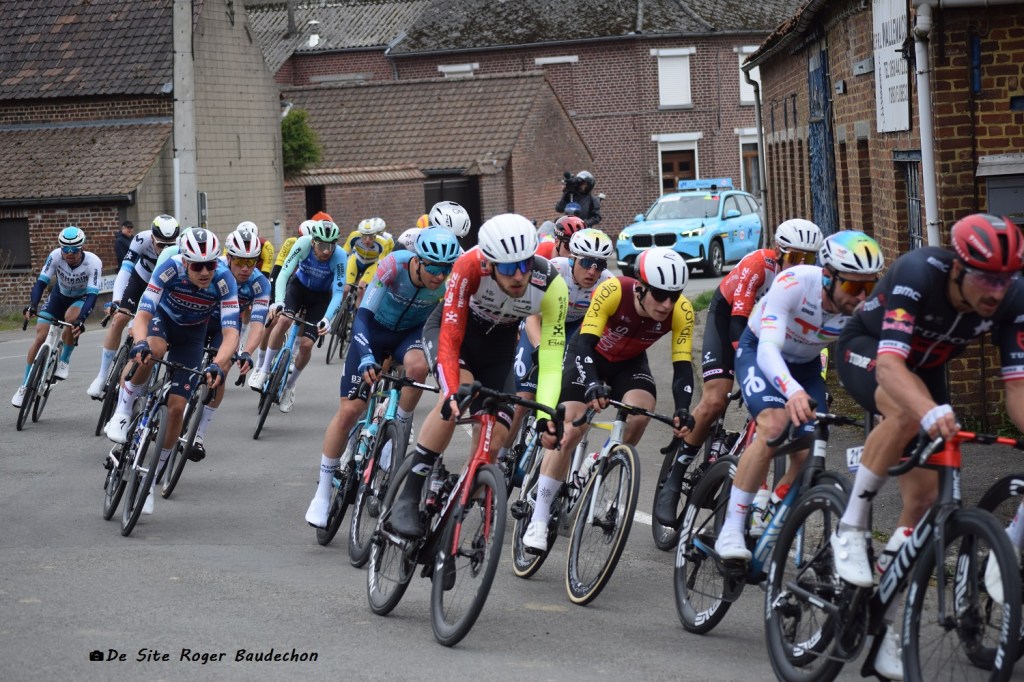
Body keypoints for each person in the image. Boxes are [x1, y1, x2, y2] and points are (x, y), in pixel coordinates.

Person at [834, 214, 1024, 594]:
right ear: (957, 268)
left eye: (1005, 280)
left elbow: (1018, 387)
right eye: (986, 279)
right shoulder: (918, 273)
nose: (996, 292)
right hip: (870, 350)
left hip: (926, 370)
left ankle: (886, 586)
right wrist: (929, 410)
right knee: (907, 411)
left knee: (925, 499)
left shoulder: (1013, 298)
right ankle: (850, 526)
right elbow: (890, 367)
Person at [387, 213, 570, 538]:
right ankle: (409, 494)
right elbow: (451, 335)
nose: (519, 276)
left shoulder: (552, 285)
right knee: (457, 396)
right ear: (490, 263)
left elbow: (552, 361)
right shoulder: (469, 266)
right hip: (453, 333)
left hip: (499, 346)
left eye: (525, 265)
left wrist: (545, 416)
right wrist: (452, 389)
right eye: (508, 268)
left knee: (497, 436)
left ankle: (455, 508)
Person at [711, 231, 884, 562]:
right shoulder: (794, 283)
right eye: (853, 286)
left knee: (810, 450)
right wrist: (791, 392)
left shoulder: (865, 308)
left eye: (869, 285)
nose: (862, 296)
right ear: (828, 277)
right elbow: (768, 349)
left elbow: (873, 360)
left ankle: (774, 505)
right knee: (773, 426)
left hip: (806, 366)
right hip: (760, 352)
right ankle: (732, 527)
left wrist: (880, 404)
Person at [522, 246, 696, 552]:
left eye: (674, 295)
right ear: (640, 287)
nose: (667, 304)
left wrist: (683, 408)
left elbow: (682, 367)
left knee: (641, 413)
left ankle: (601, 459)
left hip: (629, 363)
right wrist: (592, 383)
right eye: (659, 295)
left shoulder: (682, 311)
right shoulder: (614, 290)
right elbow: (585, 345)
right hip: (590, 355)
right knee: (571, 429)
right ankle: (538, 517)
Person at [653, 219, 824, 524]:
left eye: (809, 259)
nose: (801, 265)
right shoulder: (759, 266)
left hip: (770, 334)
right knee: (716, 398)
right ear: (779, 252)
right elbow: (737, 323)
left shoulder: (813, 286)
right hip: (729, 319)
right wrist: (749, 373)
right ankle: (676, 475)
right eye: (796, 257)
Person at [304, 229, 461, 528]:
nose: (440, 276)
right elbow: (362, 317)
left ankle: (398, 429)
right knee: (350, 411)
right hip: (373, 330)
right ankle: (322, 493)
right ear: (418, 260)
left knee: (418, 367)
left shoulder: (449, 282)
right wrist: (365, 355)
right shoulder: (394, 265)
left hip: (409, 335)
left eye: (446, 268)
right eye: (433, 267)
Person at [102, 229, 239, 515]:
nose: (205, 272)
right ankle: (123, 411)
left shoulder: (224, 280)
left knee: (177, 408)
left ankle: (150, 480)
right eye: (197, 266)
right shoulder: (169, 268)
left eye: (210, 264)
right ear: (185, 261)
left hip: (192, 336)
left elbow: (231, 333)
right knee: (153, 351)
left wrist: (218, 363)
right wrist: (140, 342)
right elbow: (143, 314)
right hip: (162, 321)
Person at [500, 227, 615, 467]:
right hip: (542, 321)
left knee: (565, 395)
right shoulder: (554, 271)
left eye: (600, 265)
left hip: (574, 329)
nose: (592, 271)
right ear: (572, 259)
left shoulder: (608, 283)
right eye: (586, 262)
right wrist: (540, 348)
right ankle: (499, 458)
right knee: (523, 399)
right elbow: (531, 316)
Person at [187, 229, 269, 460]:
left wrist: (247, 352)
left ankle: (199, 435)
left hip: (226, 328)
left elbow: (257, 324)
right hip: (199, 319)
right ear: (229, 257)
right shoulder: (214, 269)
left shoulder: (260, 283)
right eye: (240, 261)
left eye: (251, 261)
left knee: (221, 372)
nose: (245, 268)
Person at [248, 220, 346, 412]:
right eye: (322, 245)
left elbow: (338, 293)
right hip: (298, 289)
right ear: (313, 242)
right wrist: (278, 301)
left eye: (331, 246)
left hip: (320, 299)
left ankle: (290, 386)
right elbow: (284, 274)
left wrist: (327, 319)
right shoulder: (302, 244)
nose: (327, 251)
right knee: (284, 320)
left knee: (307, 345)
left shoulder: (340, 256)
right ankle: (264, 370)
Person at [87, 214, 180, 399]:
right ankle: (102, 376)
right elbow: (125, 270)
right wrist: (117, 301)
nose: (165, 250)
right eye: (161, 245)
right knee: (119, 318)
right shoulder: (141, 240)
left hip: (163, 287)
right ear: (152, 238)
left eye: (169, 246)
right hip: (140, 281)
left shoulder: (181, 246)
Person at [12, 227, 102, 406]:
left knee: (71, 319)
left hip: (81, 298)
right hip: (59, 296)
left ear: (82, 248)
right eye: (65, 249)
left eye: (74, 249)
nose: (69, 253)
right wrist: (32, 305)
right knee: (40, 336)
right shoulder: (55, 256)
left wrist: (81, 319)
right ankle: (24, 386)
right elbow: (41, 283)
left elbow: (92, 295)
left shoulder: (93, 262)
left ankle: (64, 360)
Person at [343, 217, 394, 307]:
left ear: (375, 235)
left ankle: (358, 309)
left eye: (371, 236)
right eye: (364, 236)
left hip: (372, 263)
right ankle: (338, 308)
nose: (367, 240)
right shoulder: (354, 236)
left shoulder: (383, 243)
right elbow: (344, 252)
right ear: (360, 234)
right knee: (346, 288)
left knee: (361, 287)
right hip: (357, 259)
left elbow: (381, 263)